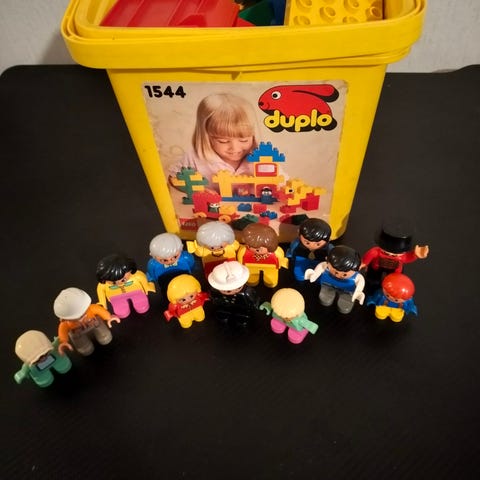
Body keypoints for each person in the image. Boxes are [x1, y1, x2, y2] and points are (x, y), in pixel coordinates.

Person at [168, 93, 259, 192]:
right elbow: (174, 178)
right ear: (206, 137)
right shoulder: (195, 157)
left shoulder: (260, 158)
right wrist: (200, 190)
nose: (235, 148)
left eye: (244, 140)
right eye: (223, 141)